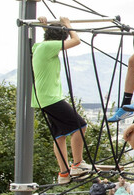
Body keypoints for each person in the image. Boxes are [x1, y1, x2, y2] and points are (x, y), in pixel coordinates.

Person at [32, 16, 91, 185]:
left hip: (44, 98)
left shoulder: (41, 47)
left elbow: (51, 40)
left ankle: (64, 173)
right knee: (80, 125)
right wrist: (68, 25)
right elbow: (76, 41)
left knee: (60, 135)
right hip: (51, 97)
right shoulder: (48, 46)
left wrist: (46, 27)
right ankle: (77, 164)